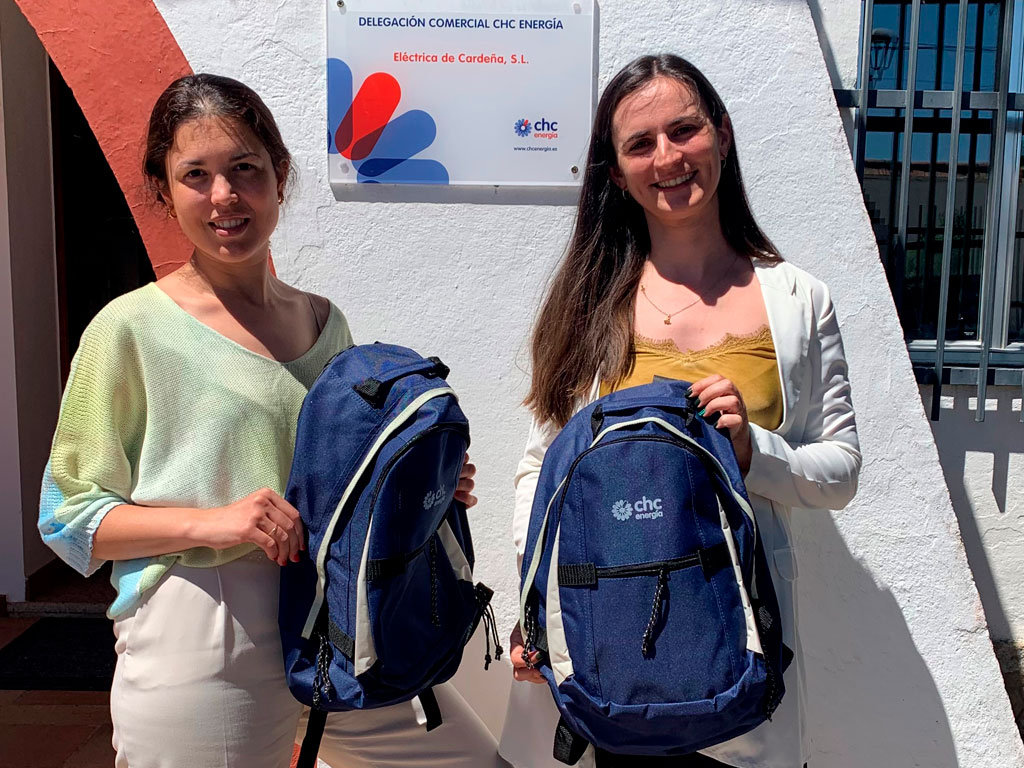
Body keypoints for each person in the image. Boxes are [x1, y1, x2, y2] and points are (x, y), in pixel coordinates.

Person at [38, 73, 504, 768]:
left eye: (245, 169)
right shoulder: (129, 330)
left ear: (279, 176)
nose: (224, 195)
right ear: (164, 191)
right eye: (196, 175)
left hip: (342, 610)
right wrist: (215, 521)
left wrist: (418, 487)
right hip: (209, 620)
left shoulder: (323, 322)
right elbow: (68, 518)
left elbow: (348, 474)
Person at [502, 54, 861, 768]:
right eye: (640, 144)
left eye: (684, 130)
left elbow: (841, 471)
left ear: (722, 135)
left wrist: (754, 450)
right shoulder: (590, 305)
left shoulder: (797, 300)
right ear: (615, 173)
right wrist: (537, 603)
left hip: (745, 656)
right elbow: (542, 469)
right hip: (614, 659)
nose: (667, 158)